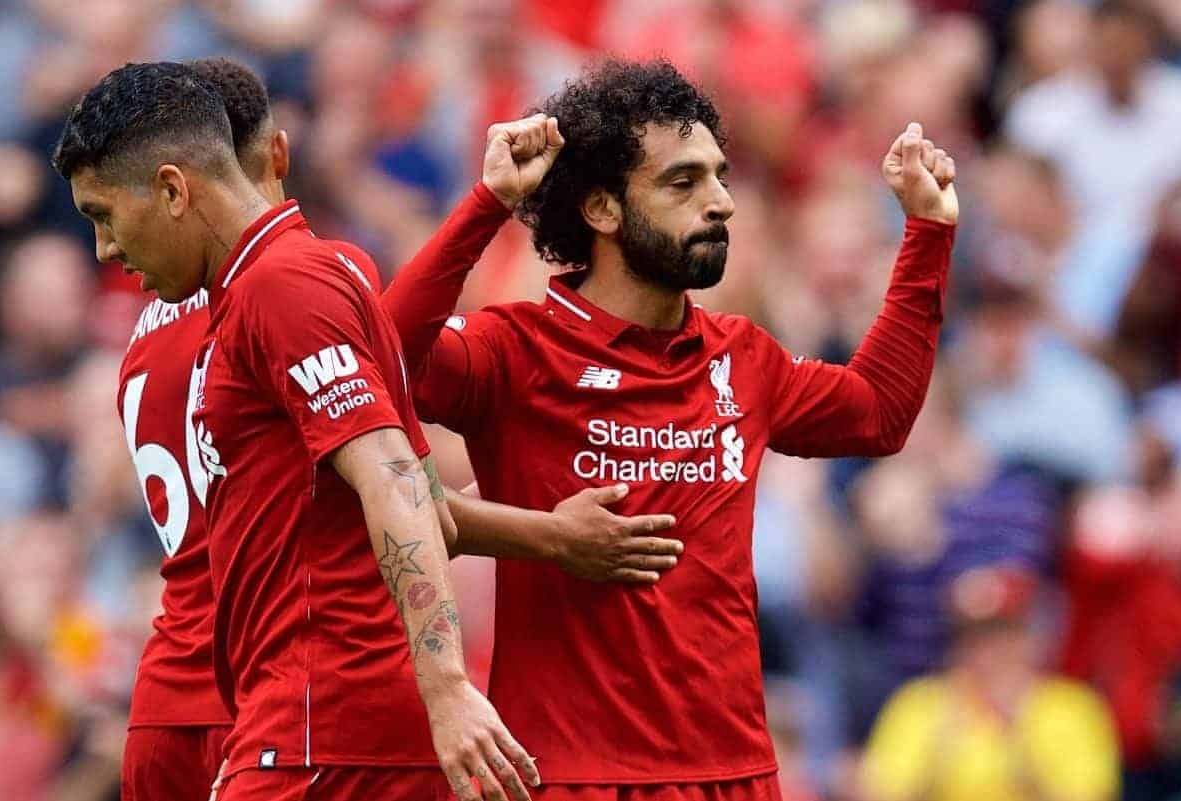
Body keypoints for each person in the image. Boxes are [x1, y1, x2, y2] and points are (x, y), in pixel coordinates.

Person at [112, 55, 686, 801]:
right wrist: (549, 537)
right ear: (270, 156)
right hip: (290, 697)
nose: (107, 248)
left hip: (172, 701)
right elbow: (392, 476)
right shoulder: (288, 288)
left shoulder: (147, 339)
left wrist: (485, 204)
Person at [406, 58, 958, 796]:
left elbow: (879, 413)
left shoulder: (744, 356)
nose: (721, 201)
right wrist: (487, 203)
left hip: (731, 774)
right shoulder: (515, 350)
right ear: (602, 210)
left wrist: (925, 231)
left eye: (720, 176)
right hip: (573, 776)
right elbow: (384, 359)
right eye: (683, 182)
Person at [52, 61, 539, 801]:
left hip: (312, 727)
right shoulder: (285, 283)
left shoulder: (272, 288)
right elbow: (413, 482)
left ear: (174, 189)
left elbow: (395, 475)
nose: (105, 251)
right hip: (293, 713)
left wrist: (447, 688)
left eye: (104, 216)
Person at [859, 565, 1121, 801]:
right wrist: (938, 755)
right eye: (975, 637)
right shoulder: (920, 703)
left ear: (1030, 638)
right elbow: (879, 792)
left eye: (1003, 634)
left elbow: (1091, 794)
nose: (989, 652)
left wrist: (1020, 740)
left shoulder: (1071, 707)